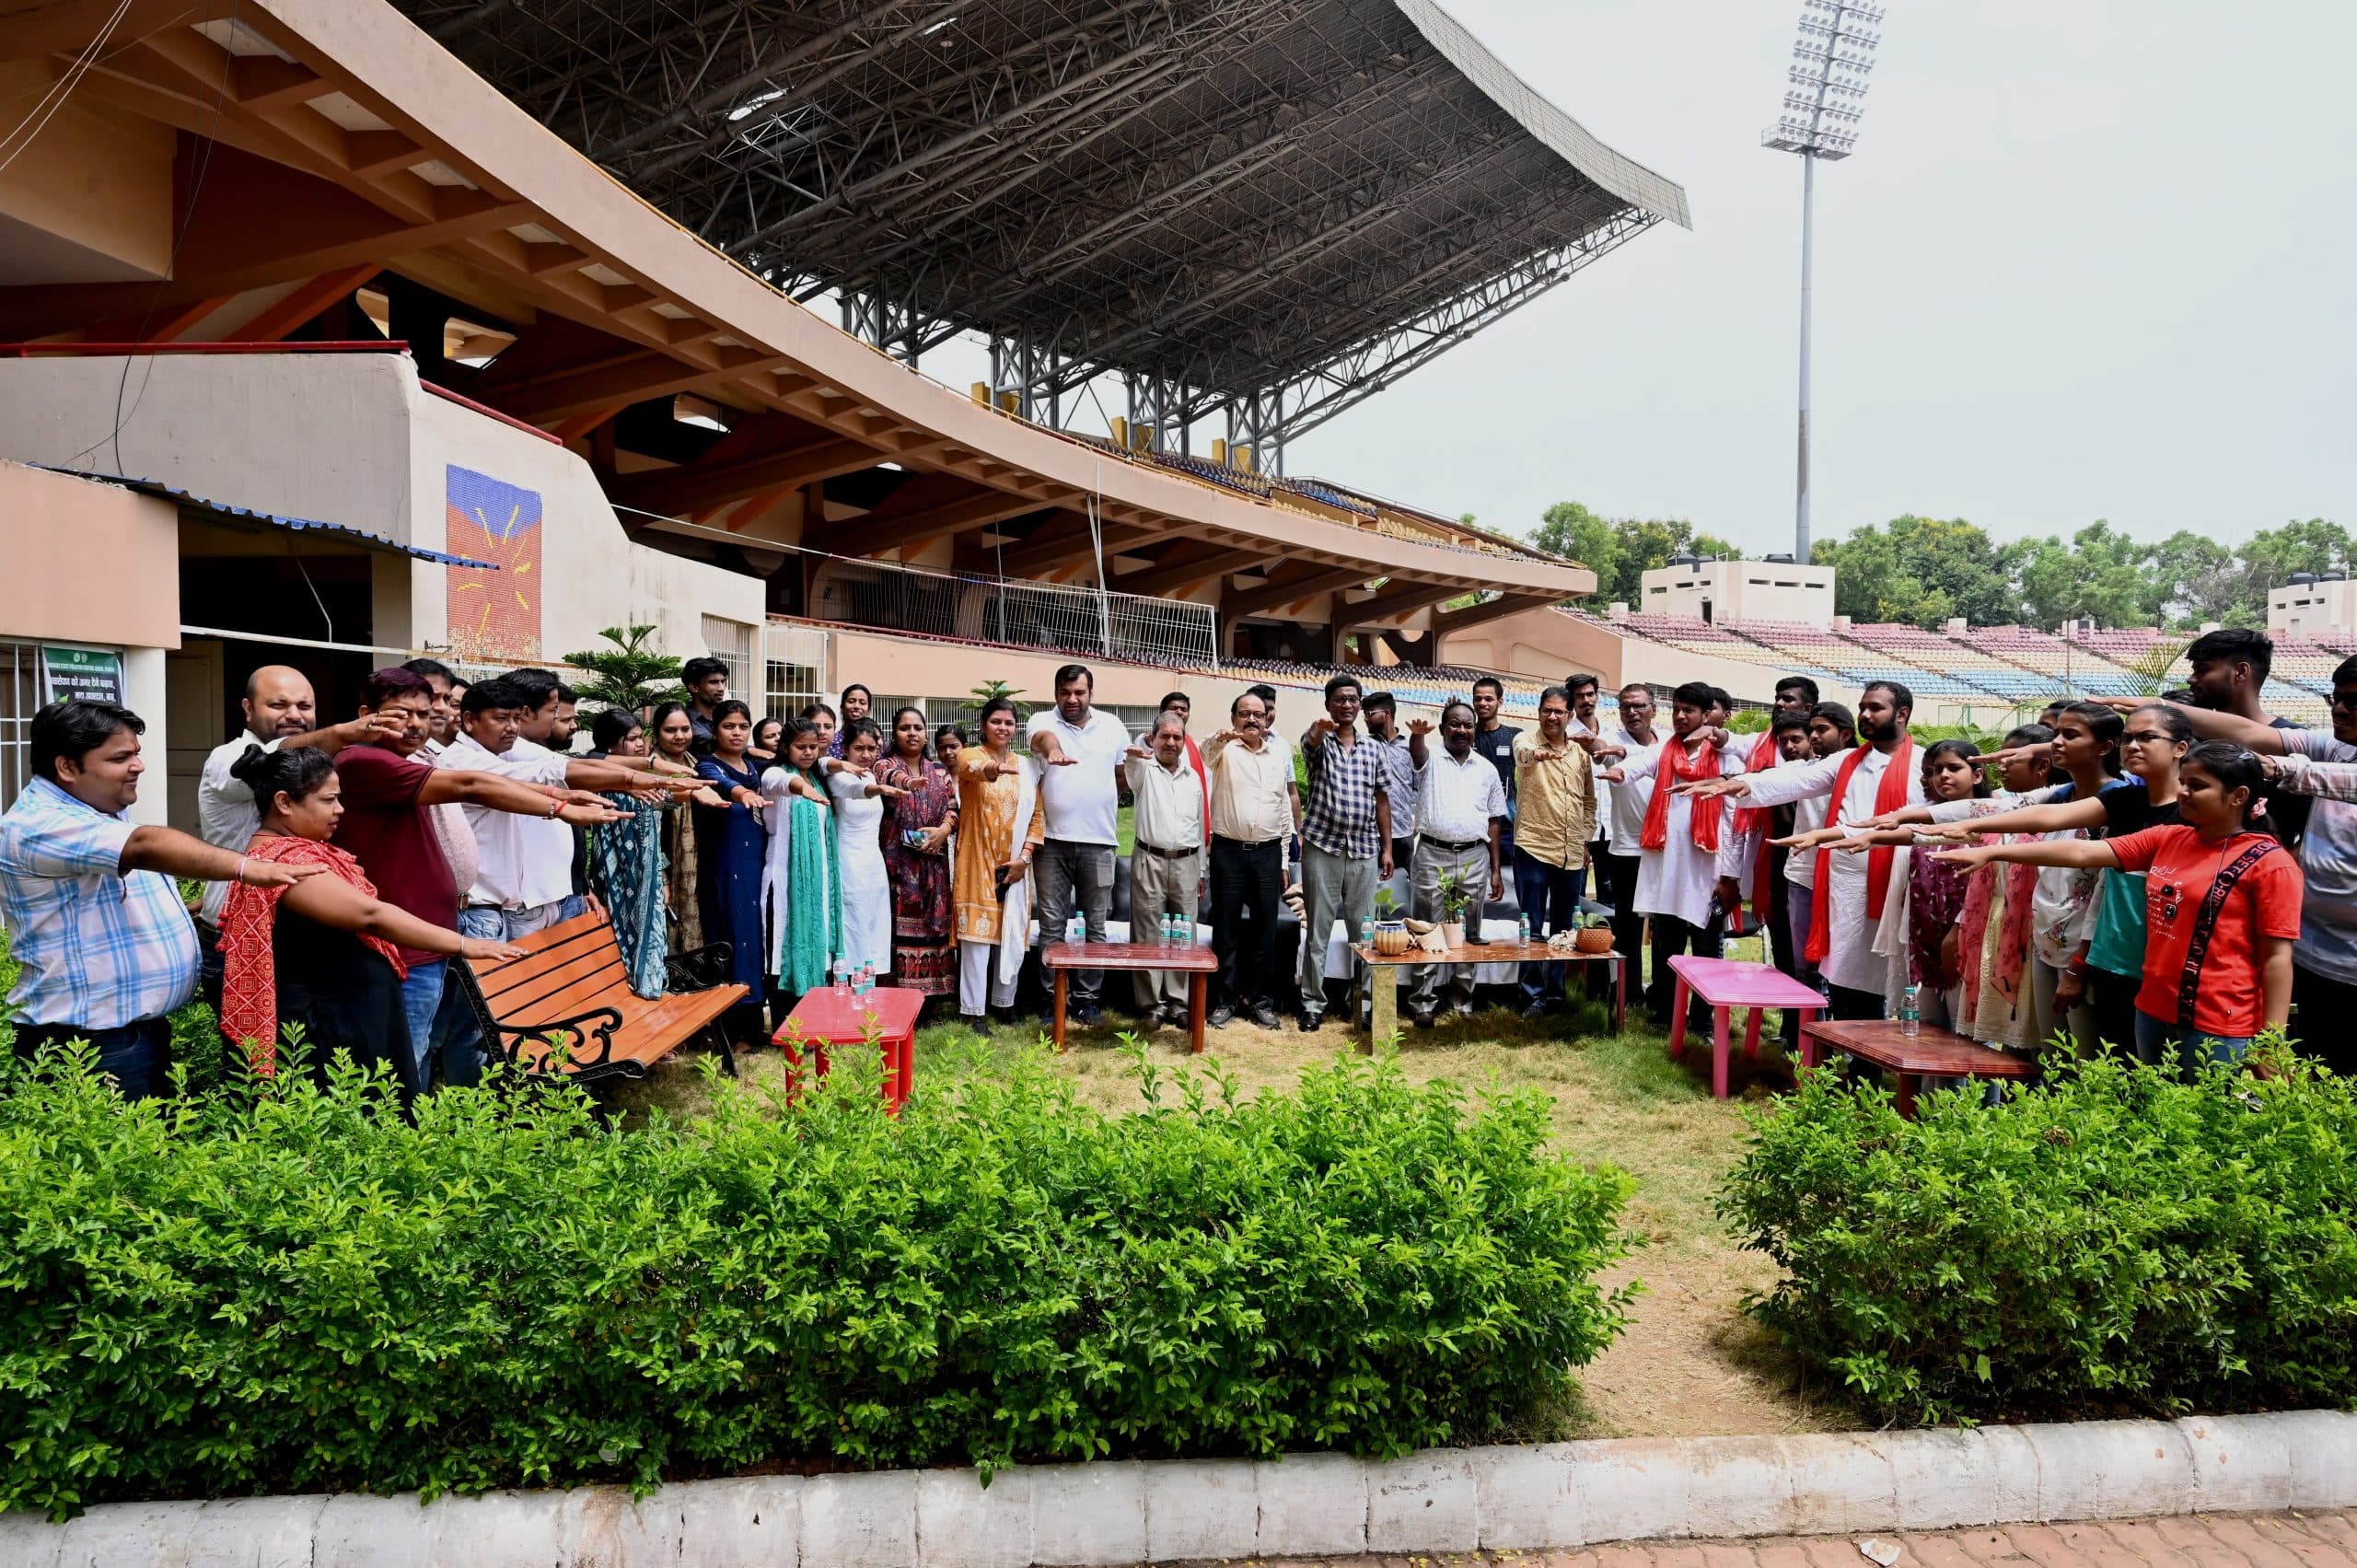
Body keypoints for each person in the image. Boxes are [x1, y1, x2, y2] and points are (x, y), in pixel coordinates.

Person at [1, 702, 318, 1099]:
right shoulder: (38, 824)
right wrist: (247, 867)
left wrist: (180, 907)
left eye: (136, 753)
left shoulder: (96, 810)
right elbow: (147, 846)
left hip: (128, 1038)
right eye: (120, 758)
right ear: (67, 767)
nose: (138, 766)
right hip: (89, 1047)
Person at [335, 669, 633, 1089]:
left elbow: (528, 776)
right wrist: (563, 807)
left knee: (452, 1031)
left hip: (439, 926)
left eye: (426, 710)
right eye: (403, 713)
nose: (419, 721)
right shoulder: (366, 761)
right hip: (416, 933)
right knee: (418, 1047)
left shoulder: (421, 759)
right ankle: (408, 1135)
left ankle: (456, 1117)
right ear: (365, 715)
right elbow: (475, 784)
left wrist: (563, 796)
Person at [1930, 743, 2300, 1077]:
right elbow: (2081, 852)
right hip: (2153, 1010)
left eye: (2197, 786)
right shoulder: (2171, 837)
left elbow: (2277, 960)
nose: (2183, 792)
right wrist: (1995, 850)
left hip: (2220, 1021)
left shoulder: (2269, 864)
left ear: (2238, 796)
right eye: (2183, 782)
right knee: (2151, 1118)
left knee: (2210, 1130)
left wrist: (2272, 1043)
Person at [215, 746, 525, 1099]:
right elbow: (370, 915)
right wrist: (465, 944)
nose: (340, 810)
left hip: (344, 1016)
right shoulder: (284, 863)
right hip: (328, 1030)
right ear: (284, 803)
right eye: (328, 800)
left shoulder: (294, 851)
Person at [2127, 665, 2357, 1075]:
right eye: (2334, 698)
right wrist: (2160, 707)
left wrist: (2274, 768)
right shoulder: (2336, 745)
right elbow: (2250, 732)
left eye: (2352, 702)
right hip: (2316, 956)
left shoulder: (2268, 863)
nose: (2339, 710)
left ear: (2239, 797)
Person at [1691, 681, 1919, 1021]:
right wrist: (1742, 784)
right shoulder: (1847, 761)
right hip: (1843, 888)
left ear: (1902, 715)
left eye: (1875, 708)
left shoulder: (1923, 763)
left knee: (1889, 977)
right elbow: (1795, 781)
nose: (1865, 715)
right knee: (1841, 974)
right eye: (1862, 707)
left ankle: (1877, 1059)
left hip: (1894, 886)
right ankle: (1842, 1055)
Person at [439, 677, 688, 940]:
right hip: (489, 909)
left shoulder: (495, 756)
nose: (512, 727)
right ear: (469, 720)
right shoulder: (465, 761)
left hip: (516, 903)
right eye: (502, 718)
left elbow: (548, 776)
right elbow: (552, 771)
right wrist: (564, 805)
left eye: (515, 718)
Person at [193, 665, 404, 935]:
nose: (294, 715)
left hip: (302, 938)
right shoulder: (225, 758)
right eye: (278, 705)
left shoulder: (319, 762)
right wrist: (341, 733)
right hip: (234, 933)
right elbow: (268, 762)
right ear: (248, 709)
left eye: (304, 706)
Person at [1602, 681, 1743, 1029]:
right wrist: (1619, 772)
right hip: (1668, 870)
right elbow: (1637, 765)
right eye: (1676, 709)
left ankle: (1702, 1020)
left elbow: (1734, 822)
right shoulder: (1666, 750)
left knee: (1707, 949)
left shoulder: (1727, 757)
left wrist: (1729, 876)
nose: (1680, 716)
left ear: (1706, 715)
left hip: (1707, 872)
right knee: (1667, 947)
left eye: (1688, 711)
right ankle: (1665, 1013)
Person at [1024, 664, 1132, 1027]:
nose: (1072, 699)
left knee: (1095, 926)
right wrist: (1053, 751)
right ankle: (1050, 1001)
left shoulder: (1113, 726)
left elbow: (1121, 777)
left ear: (1091, 693)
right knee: (1052, 925)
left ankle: (1088, 1001)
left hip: (1099, 842)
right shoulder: (1043, 719)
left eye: (1079, 693)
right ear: (1056, 693)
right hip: (1052, 842)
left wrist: (1095, 802)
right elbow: (1042, 740)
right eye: (1065, 693)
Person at [1295, 674, 1393, 1030]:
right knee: (1318, 929)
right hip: (1323, 846)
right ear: (1328, 704)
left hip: (1365, 848)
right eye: (1339, 699)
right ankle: (1311, 1004)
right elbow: (1309, 746)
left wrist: (1387, 848)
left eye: (1353, 699)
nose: (1347, 705)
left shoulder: (1374, 748)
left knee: (1363, 931)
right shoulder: (1321, 743)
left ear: (1360, 704)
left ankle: (1364, 1003)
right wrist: (1317, 731)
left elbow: (1382, 799)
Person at [1406, 700, 1507, 1026]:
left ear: (1475, 730)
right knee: (1427, 929)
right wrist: (1418, 736)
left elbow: (1494, 821)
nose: (1461, 730)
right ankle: (1423, 1002)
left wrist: (1495, 870)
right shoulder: (1431, 756)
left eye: (1467, 725)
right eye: (1454, 724)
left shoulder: (1487, 769)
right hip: (1432, 854)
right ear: (1444, 727)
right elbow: (1417, 755)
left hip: (1475, 855)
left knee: (1470, 932)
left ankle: (1462, 1000)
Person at [1203, 688, 1298, 1029]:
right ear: (1234, 718)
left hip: (1268, 854)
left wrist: (1285, 859)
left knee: (1264, 932)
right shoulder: (1224, 750)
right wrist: (1220, 737)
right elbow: (1204, 754)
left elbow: (1284, 810)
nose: (1252, 719)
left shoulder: (1277, 755)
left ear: (1267, 718)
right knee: (1226, 929)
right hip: (1228, 851)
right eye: (1245, 714)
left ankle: (1261, 1002)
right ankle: (1225, 1002)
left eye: (1258, 714)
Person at [693, 701, 783, 1045]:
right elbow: (719, 784)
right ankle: (731, 1028)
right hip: (727, 865)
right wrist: (743, 792)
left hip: (757, 864)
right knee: (732, 936)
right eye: (729, 726)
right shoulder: (707, 765)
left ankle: (753, 1021)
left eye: (743, 726)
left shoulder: (753, 765)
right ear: (715, 730)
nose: (737, 733)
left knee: (755, 938)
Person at [953, 697, 1045, 1020]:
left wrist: (1025, 857)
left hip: (1016, 863)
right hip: (977, 858)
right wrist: (994, 768)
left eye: (1008, 723)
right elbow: (972, 770)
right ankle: (973, 1010)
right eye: (996, 722)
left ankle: (1004, 1004)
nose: (1002, 728)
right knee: (977, 937)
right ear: (983, 725)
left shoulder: (1027, 766)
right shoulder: (970, 755)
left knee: (1011, 928)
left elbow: (1037, 815)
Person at [1510, 685, 1598, 1019]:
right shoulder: (1526, 741)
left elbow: (1589, 800)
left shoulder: (1580, 753)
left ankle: (1558, 994)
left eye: (1559, 711)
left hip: (1572, 852)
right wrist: (1537, 756)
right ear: (1538, 712)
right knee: (1531, 925)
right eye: (1546, 710)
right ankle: (1532, 995)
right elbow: (1522, 754)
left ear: (1570, 716)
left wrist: (1586, 837)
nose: (1551, 716)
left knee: (1564, 927)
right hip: (1534, 846)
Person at [2183, 627, 2308, 847]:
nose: (2191, 679)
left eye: (2202, 669)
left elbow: (2311, 826)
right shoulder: (2190, 738)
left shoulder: (2295, 745)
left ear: (2241, 672)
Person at [583, 709, 675, 997]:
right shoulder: (599, 780)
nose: (639, 744)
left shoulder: (640, 778)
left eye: (640, 738)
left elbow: (654, 834)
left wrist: (661, 874)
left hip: (646, 876)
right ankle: (637, 993)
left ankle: (651, 989)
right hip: (617, 876)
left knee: (651, 931)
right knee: (624, 934)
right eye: (631, 739)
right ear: (611, 744)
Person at [1122, 712, 1207, 1026]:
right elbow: (1131, 770)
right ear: (1153, 738)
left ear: (1184, 741)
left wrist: (1201, 871)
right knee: (1148, 932)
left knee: (1183, 932)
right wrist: (1135, 752)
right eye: (1164, 736)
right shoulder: (1144, 768)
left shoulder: (1193, 776)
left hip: (1187, 862)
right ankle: (1151, 1005)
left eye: (1177, 737)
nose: (1171, 742)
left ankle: (1178, 1003)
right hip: (1149, 859)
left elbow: (1198, 827)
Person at [872, 708, 958, 1002]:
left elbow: (953, 807)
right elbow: (892, 777)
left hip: (935, 861)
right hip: (900, 867)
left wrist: (943, 831)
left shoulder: (938, 770)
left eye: (918, 728)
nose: (912, 733)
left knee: (933, 931)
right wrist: (909, 783)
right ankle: (903, 999)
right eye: (904, 728)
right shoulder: (882, 765)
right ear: (894, 734)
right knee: (901, 930)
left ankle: (934, 999)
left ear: (925, 734)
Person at [758, 718, 842, 1005]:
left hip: (818, 882)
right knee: (781, 947)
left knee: (818, 942)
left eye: (813, 747)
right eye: (800, 747)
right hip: (783, 880)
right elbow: (777, 783)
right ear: (785, 747)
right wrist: (799, 787)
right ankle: (785, 1020)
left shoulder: (818, 780)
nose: (807, 752)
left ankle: (814, 1016)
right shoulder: (775, 774)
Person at [827, 717, 907, 985]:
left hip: (874, 860)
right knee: (854, 921)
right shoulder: (837, 777)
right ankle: (849, 982)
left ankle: (873, 982)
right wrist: (878, 789)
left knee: (875, 921)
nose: (866, 755)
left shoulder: (872, 773)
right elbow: (855, 790)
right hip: (849, 859)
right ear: (846, 750)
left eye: (871, 749)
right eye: (859, 748)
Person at [1593, 683, 1661, 983]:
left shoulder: (1669, 743)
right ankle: (1629, 989)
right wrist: (1593, 747)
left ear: (1654, 710)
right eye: (1625, 707)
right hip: (1626, 850)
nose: (1632, 712)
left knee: (1664, 926)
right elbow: (1598, 750)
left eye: (1639, 706)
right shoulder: (1611, 741)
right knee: (1628, 925)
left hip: (1664, 849)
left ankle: (1662, 990)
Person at [648, 702, 708, 953]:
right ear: (656, 733)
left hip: (700, 862)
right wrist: (662, 877)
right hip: (664, 866)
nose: (680, 736)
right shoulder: (646, 771)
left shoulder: (698, 765)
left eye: (685, 729)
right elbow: (649, 830)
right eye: (671, 730)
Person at [1362, 692, 1420, 901]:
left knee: (1403, 893)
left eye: (1370, 713)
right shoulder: (1364, 746)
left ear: (1386, 714)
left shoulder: (1410, 748)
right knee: (1370, 892)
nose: (1366, 718)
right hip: (1370, 834)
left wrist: (1413, 817)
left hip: (1403, 833)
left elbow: (1418, 787)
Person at [1470, 675, 1520, 856]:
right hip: (1473, 817)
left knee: (1507, 877)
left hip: (1506, 819)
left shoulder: (1514, 735)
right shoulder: (1464, 737)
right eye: (1478, 698)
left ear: (1500, 702)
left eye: (1488, 699)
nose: (1483, 703)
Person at [1153, 691, 1212, 844]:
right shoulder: (1148, 743)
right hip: (1155, 838)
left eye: (1184, 709)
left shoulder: (1196, 748)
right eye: (1173, 708)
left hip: (1188, 838)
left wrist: (1208, 833)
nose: (1179, 712)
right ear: (1161, 712)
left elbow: (1205, 792)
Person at [401, 657, 463, 753]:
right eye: (432, 697)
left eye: (446, 699)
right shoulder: (386, 757)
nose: (442, 707)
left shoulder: (435, 757)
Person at [682, 656, 729, 755]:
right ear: (694, 687)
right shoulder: (685, 720)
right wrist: (750, 750)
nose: (721, 688)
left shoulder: (726, 716)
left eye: (723, 682)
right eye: (713, 682)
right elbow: (707, 740)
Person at [830, 684, 873, 759]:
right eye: (851, 701)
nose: (856, 706)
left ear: (869, 710)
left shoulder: (878, 741)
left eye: (862, 703)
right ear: (842, 708)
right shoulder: (831, 742)